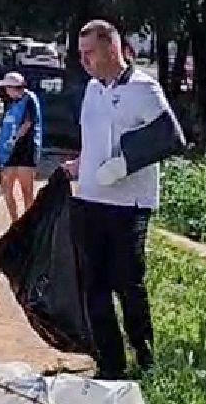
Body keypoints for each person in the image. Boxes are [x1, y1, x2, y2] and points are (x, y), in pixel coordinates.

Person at [63, 19, 184, 377]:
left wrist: (124, 165)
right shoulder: (92, 90)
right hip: (89, 200)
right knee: (93, 287)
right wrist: (80, 164)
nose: (84, 61)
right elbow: (94, 139)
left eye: (90, 53)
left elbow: (171, 137)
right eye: (81, 54)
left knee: (128, 284)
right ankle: (110, 364)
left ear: (112, 49)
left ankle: (145, 361)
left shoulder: (144, 89)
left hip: (128, 206)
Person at [0, 70, 43, 222]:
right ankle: (15, 222)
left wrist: (14, 139)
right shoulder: (10, 103)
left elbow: (28, 123)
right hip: (10, 152)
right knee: (7, 188)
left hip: (26, 150)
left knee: (26, 190)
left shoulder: (29, 99)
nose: (6, 91)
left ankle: (29, 224)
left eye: (8, 88)